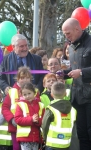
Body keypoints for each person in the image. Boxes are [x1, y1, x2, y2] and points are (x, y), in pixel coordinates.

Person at [60, 17, 91, 150]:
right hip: (77, 97)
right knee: (82, 134)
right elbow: (74, 70)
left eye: (68, 33)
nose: (66, 37)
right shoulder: (71, 47)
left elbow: (80, 71)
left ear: (77, 29)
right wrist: (64, 74)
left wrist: (82, 72)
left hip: (90, 97)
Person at [2, 66, 40, 150]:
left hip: (31, 127)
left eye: (27, 77)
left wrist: (36, 120)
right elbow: (4, 108)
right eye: (22, 78)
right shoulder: (12, 91)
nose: (25, 80)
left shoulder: (35, 91)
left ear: (30, 79)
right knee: (16, 148)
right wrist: (12, 119)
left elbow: (39, 107)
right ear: (17, 79)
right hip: (15, 126)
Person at [42, 81, 77, 150]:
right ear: (65, 94)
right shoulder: (73, 110)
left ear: (51, 95)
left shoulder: (50, 109)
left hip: (51, 144)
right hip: (66, 144)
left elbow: (44, 126)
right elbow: (74, 129)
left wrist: (45, 138)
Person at [15, 82, 44, 150]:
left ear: (34, 93)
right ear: (21, 95)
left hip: (36, 138)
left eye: (29, 93)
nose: (27, 96)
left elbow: (43, 120)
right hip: (24, 138)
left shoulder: (41, 105)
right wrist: (31, 119)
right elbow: (17, 119)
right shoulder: (20, 105)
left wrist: (37, 121)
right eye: (24, 94)